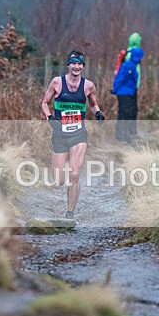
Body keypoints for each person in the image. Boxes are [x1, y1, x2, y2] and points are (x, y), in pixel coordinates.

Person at [41, 50, 105, 219]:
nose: (76, 66)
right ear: (68, 64)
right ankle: (63, 201)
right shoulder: (57, 83)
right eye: (73, 63)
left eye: (80, 63)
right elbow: (44, 103)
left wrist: (98, 112)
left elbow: (93, 104)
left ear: (83, 66)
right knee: (59, 180)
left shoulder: (88, 86)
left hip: (78, 133)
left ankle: (70, 213)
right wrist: (49, 117)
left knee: (74, 173)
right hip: (60, 134)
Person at [111, 46, 144, 142]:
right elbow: (120, 78)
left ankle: (124, 135)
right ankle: (122, 137)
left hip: (127, 93)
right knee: (124, 114)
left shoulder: (130, 65)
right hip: (124, 93)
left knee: (125, 113)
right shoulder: (129, 65)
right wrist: (115, 89)